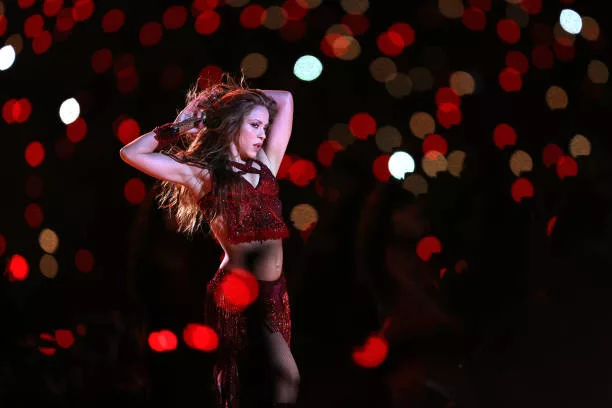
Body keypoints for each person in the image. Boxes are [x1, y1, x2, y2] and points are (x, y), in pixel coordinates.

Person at [119, 73, 299, 408]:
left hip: (275, 292)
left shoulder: (266, 163)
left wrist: (225, 99)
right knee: (283, 377)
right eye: (255, 125)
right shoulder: (204, 175)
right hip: (239, 292)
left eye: (264, 126)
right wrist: (180, 127)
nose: (263, 134)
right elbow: (131, 153)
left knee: (261, 387)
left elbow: (285, 99)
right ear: (232, 126)